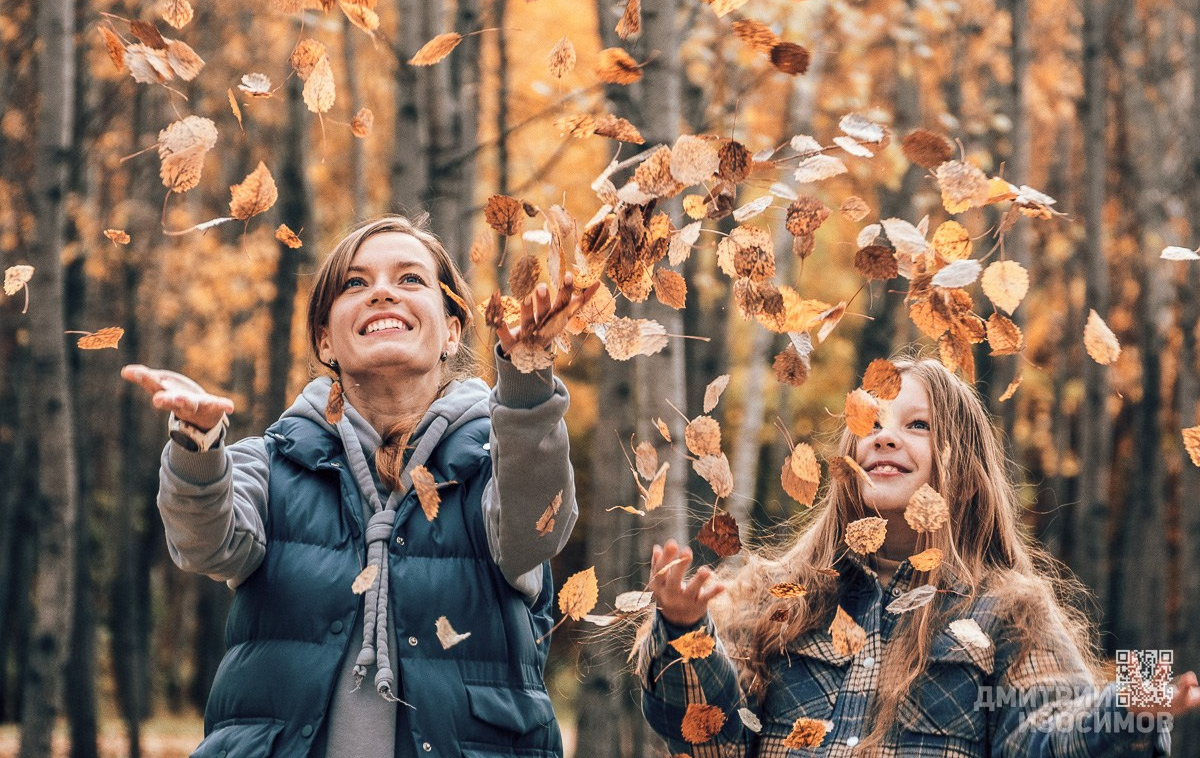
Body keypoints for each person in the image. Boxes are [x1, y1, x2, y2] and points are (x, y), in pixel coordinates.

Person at [122, 214, 596, 758]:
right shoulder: (273, 463)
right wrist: (198, 443)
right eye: (355, 283)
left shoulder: (500, 459)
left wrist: (528, 388)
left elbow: (535, 530)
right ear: (326, 338)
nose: (382, 293)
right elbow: (204, 541)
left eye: (411, 279)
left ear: (452, 330)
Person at [640, 356, 1200, 757]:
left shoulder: (1008, 609)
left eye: (916, 425)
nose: (884, 437)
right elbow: (711, 743)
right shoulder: (777, 597)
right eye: (870, 424)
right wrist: (684, 628)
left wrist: (1129, 706)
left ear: (965, 468)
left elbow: (1044, 734)